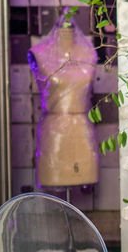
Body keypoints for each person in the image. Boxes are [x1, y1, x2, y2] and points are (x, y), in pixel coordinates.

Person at [29, 14, 100, 189]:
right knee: (52, 173)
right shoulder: (40, 53)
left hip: (81, 128)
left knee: (84, 172)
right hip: (54, 132)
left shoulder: (89, 54)